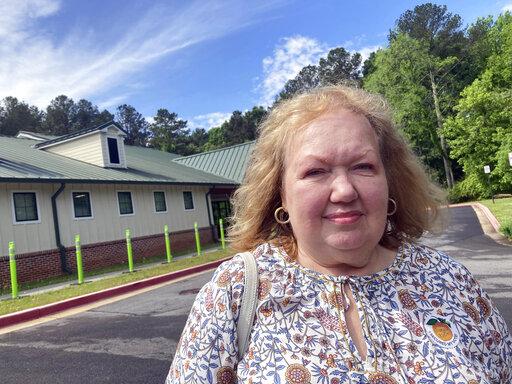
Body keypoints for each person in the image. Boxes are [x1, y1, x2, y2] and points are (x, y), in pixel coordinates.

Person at [166, 86, 512, 383]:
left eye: (363, 167)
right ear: (281, 195)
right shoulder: (236, 292)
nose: (344, 190)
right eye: (316, 171)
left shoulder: (449, 280)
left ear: (389, 182)